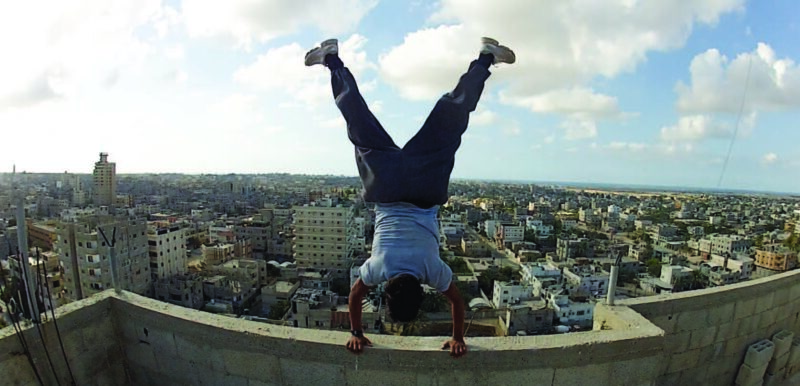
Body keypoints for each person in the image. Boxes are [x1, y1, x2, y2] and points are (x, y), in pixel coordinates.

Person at [305, 37, 515, 358]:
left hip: (423, 189)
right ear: (387, 290)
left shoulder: (432, 269)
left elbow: (456, 302)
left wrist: (458, 338)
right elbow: (354, 296)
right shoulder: (378, 268)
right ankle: (332, 60)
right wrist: (356, 333)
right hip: (387, 187)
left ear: (421, 291)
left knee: (452, 118)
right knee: (358, 120)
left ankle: (486, 58)